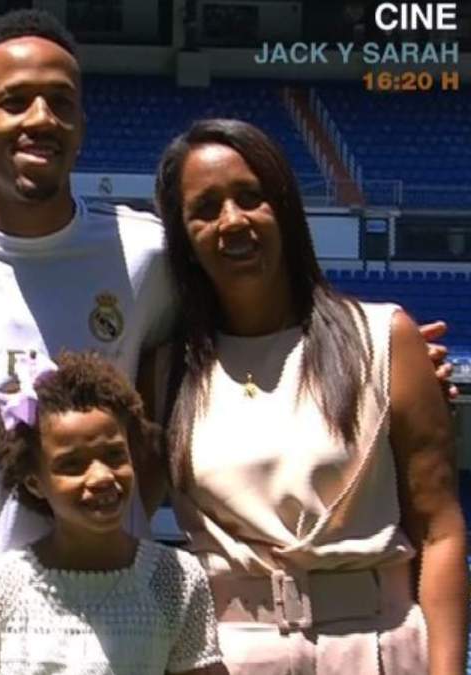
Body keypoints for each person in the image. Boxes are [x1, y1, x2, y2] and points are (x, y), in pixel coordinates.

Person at [0, 10, 456, 675]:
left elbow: (259, 317)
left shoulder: (147, 257)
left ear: (82, 123)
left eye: (61, 101)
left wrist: (382, 351)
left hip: (116, 646)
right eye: (15, 101)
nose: (40, 118)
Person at [152, 118, 466, 674]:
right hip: (227, 656)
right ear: (184, 239)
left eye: (251, 198)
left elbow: (439, 529)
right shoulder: (163, 371)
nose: (232, 221)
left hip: (379, 649)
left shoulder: (386, 338)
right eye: (205, 209)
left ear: (286, 209)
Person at [0, 352, 224, 675]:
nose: (100, 476)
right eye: (72, 464)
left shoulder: (174, 578)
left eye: (114, 455)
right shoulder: (3, 584)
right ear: (34, 482)